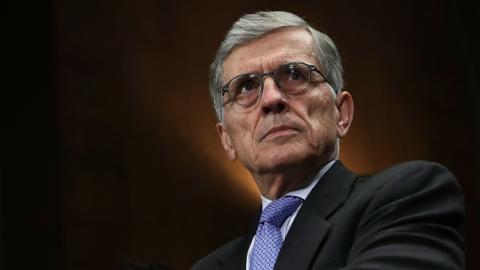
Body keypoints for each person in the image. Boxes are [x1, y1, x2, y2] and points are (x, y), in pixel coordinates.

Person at [192, 11, 465, 270]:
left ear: (341, 114)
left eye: (294, 75)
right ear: (226, 139)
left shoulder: (408, 196)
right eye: (247, 87)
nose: (272, 99)